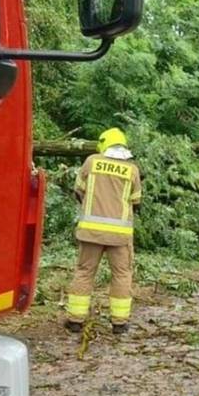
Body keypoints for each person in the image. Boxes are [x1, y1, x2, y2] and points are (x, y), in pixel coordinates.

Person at [66, 127, 143, 335]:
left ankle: (75, 320)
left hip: (90, 232)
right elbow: (136, 201)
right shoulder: (132, 170)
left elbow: (78, 190)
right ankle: (119, 323)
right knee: (121, 274)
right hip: (119, 235)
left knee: (84, 272)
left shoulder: (91, 162)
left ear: (104, 144)